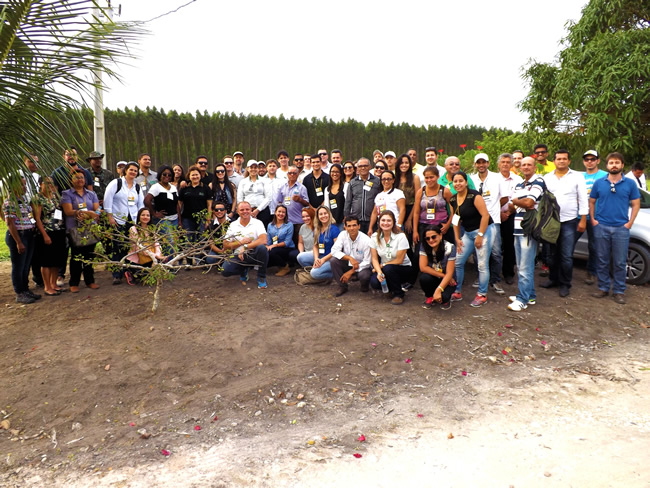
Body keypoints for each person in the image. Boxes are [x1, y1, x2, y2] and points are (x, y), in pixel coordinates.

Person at [590, 152, 641, 304]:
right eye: (611, 162)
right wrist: (593, 220)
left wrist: (629, 223)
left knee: (619, 262)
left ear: (622, 165)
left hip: (621, 228)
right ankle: (603, 288)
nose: (614, 165)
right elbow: (592, 201)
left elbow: (636, 204)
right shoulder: (599, 183)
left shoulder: (630, 184)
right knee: (602, 260)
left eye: (617, 162)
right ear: (607, 165)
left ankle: (619, 291)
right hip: (601, 226)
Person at [540, 150, 588, 297]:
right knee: (552, 254)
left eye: (564, 159)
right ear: (554, 161)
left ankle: (565, 284)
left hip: (569, 221)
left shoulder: (577, 177)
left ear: (569, 161)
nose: (561, 161)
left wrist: (583, 219)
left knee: (566, 255)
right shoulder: (547, 178)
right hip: (551, 222)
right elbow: (543, 199)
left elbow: (583, 198)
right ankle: (553, 279)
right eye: (558, 159)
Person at [449, 171, 495, 307]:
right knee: (458, 261)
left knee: (482, 264)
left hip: (484, 230)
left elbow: (485, 216)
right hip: (468, 233)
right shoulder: (453, 199)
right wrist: (457, 238)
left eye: (460, 181)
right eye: (455, 181)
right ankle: (457, 291)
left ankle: (482, 294)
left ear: (466, 182)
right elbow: (455, 220)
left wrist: (480, 236)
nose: (458, 184)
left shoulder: (474, 195)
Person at [507, 157, 546, 311]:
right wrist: (518, 202)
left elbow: (529, 203)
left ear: (535, 167)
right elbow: (511, 206)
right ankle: (530, 296)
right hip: (517, 228)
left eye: (529, 164)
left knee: (525, 267)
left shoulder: (538, 181)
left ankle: (522, 299)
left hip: (529, 229)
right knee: (521, 265)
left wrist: (516, 201)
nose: (526, 167)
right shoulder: (519, 184)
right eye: (523, 165)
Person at [103, 161, 145, 284]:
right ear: (126, 170)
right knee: (117, 247)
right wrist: (110, 217)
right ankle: (117, 274)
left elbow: (140, 204)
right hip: (117, 220)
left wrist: (139, 221)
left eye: (135, 171)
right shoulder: (116, 183)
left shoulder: (137, 187)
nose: (133, 172)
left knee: (131, 247)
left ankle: (129, 271)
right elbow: (107, 200)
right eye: (131, 170)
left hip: (132, 221)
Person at [61, 169, 101, 293]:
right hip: (74, 230)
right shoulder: (66, 194)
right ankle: (74, 282)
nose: (80, 180)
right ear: (71, 180)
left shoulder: (91, 194)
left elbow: (97, 210)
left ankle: (90, 280)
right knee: (76, 257)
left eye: (82, 177)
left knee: (89, 255)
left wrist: (94, 214)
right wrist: (83, 212)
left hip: (90, 228)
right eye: (77, 177)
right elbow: (68, 211)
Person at [470, 153, 504, 295]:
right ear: (475, 164)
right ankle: (481, 277)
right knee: (479, 252)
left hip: (493, 221)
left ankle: (495, 280)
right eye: (478, 163)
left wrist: (493, 210)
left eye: (484, 162)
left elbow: (505, 197)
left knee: (496, 252)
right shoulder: (471, 179)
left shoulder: (497, 177)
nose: (481, 165)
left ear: (488, 163)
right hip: (477, 222)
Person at [3, 176, 41, 303]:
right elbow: (10, 223)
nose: (25, 188)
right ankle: (19, 292)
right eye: (22, 185)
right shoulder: (10, 202)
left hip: (29, 234)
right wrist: (18, 242)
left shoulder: (23, 199)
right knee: (18, 266)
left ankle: (25, 289)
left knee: (26, 265)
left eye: (25, 185)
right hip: (19, 236)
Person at [221, 201, 269, 289]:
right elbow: (225, 245)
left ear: (251, 210)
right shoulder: (233, 225)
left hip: (253, 253)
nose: (245, 212)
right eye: (242, 210)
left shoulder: (257, 223)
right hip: (238, 255)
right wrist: (240, 243)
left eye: (247, 209)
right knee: (225, 271)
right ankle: (243, 269)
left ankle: (261, 277)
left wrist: (245, 247)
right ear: (237, 211)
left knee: (262, 248)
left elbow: (263, 239)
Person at [32, 177, 67, 296]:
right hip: (46, 232)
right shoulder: (38, 198)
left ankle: (53, 284)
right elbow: (37, 218)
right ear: (40, 184)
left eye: (52, 183)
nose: (50, 185)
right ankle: (47, 286)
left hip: (59, 231)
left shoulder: (55, 196)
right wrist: (45, 235)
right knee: (46, 261)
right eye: (47, 183)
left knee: (56, 260)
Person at [369, 210, 411, 305]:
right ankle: (391, 288)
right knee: (374, 282)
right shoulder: (375, 237)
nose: (385, 223)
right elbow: (374, 258)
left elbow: (399, 260)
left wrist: (383, 265)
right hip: (385, 268)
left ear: (393, 222)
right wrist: (379, 272)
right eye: (383, 220)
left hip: (403, 268)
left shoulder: (400, 236)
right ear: (379, 223)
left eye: (389, 220)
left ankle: (399, 294)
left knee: (389, 269)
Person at [578, 150, 608, 285]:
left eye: (592, 159)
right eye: (587, 159)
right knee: (567, 243)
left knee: (594, 246)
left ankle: (591, 272)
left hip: (597, 218)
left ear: (598, 161)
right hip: (579, 216)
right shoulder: (579, 177)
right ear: (584, 161)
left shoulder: (605, 176)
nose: (589, 161)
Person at [496, 153, 523, 285]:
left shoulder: (518, 180)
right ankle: (493, 273)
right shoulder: (493, 179)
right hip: (495, 215)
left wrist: (508, 211)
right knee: (494, 245)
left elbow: (519, 198)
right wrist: (499, 212)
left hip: (512, 214)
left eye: (508, 162)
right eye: (503, 162)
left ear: (512, 164)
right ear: (498, 164)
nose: (505, 164)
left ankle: (508, 273)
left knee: (509, 244)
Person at [330, 216, 372, 297]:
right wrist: (349, 258)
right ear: (345, 227)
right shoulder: (342, 235)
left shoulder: (366, 240)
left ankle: (364, 286)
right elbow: (334, 250)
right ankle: (342, 286)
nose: (352, 228)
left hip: (362, 266)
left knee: (364, 275)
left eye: (354, 225)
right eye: (349, 226)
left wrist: (351, 272)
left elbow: (367, 262)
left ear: (359, 226)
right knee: (333, 261)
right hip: (349, 263)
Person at [178, 165, 212, 263]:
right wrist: (180, 220)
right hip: (187, 218)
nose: (195, 177)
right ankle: (188, 261)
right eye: (193, 175)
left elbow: (209, 205)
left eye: (197, 175)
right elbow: (179, 204)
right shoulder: (184, 188)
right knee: (189, 239)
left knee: (201, 238)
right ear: (189, 176)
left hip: (202, 218)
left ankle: (198, 260)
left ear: (200, 176)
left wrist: (208, 219)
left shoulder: (205, 188)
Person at [296, 205, 340, 280]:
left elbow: (337, 250)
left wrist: (323, 260)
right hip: (320, 255)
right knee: (300, 257)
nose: (323, 216)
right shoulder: (317, 229)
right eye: (321, 214)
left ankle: (335, 274)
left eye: (325, 213)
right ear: (318, 216)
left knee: (314, 274)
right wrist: (316, 259)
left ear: (329, 214)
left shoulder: (334, 229)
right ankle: (317, 269)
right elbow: (315, 246)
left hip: (331, 258)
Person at [413, 166, 453, 246]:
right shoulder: (421, 192)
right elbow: (416, 212)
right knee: (421, 252)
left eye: (432, 177)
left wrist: (448, 224)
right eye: (426, 178)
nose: (429, 180)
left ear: (437, 177)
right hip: (424, 225)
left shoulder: (445, 191)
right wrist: (415, 231)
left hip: (440, 226)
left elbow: (454, 210)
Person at [419, 225, 456, 310]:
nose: (431, 240)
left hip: (449, 279)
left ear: (440, 235)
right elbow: (423, 267)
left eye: (433, 237)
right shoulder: (424, 246)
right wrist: (443, 276)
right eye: (427, 238)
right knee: (424, 278)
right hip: (438, 275)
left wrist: (439, 289)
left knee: (443, 298)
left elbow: (449, 273)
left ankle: (446, 299)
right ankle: (429, 297)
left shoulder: (450, 248)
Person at [124, 207, 164, 285]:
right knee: (143, 279)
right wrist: (154, 257)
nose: (145, 217)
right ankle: (130, 273)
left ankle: (152, 269)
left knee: (153, 278)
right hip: (138, 257)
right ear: (139, 216)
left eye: (147, 215)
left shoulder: (151, 229)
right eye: (143, 215)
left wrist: (157, 256)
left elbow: (157, 244)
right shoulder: (133, 229)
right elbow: (138, 248)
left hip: (150, 256)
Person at [344, 157, 380, 235]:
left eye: (365, 166)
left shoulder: (377, 181)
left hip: (372, 220)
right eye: (360, 166)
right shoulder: (353, 182)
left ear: (370, 167)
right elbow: (348, 201)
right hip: (356, 221)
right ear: (357, 168)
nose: (363, 168)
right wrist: (347, 218)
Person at [275, 166, 310, 245]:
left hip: (298, 222)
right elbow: (279, 202)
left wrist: (300, 200)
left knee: (298, 242)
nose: (292, 175)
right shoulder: (282, 187)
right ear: (287, 174)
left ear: (298, 174)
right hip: (285, 222)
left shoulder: (302, 188)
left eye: (294, 173)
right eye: (290, 173)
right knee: (285, 243)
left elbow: (307, 204)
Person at [369, 170, 406, 234]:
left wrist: (399, 225)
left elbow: (402, 209)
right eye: (384, 179)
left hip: (395, 226)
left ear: (393, 180)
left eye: (389, 179)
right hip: (382, 226)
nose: (386, 181)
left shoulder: (398, 193)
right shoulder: (379, 195)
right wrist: (370, 228)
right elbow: (374, 213)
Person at [237, 160, 272, 228]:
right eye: (251, 167)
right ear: (247, 169)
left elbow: (268, 198)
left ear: (258, 169)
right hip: (247, 212)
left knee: (263, 230)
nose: (253, 169)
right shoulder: (243, 182)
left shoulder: (265, 180)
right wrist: (246, 210)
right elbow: (240, 198)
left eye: (255, 167)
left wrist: (258, 210)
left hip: (262, 211)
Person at [266, 205, 296, 276]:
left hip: (287, 248)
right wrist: (267, 246)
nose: (281, 214)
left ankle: (285, 267)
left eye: (283, 212)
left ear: (285, 214)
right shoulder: (270, 225)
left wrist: (274, 245)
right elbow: (269, 239)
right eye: (279, 211)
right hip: (275, 247)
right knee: (266, 252)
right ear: (275, 212)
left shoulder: (289, 225)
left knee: (272, 252)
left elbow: (287, 242)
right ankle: (279, 266)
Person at [324, 163, 345, 229]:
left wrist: (346, 218)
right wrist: (330, 218)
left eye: (337, 172)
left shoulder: (345, 186)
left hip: (343, 221)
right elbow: (326, 205)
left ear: (341, 173)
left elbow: (348, 203)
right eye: (332, 172)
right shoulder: (327, 189)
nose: (335, 174)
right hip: (331, 221)